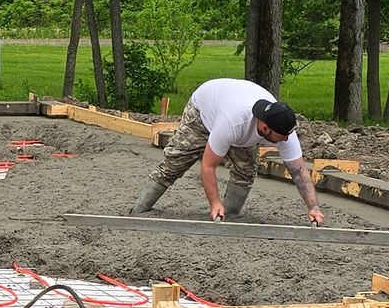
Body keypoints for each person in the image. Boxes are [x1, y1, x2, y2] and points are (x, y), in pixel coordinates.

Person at [130, 78, 325, 222]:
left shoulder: (283, 128)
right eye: (281, 137)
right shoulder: (233, 121)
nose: (285, 140)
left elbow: (298, 170)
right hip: (203, 113)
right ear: (265, 129)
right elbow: (208, 166)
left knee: (245, 171)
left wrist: (313, 207)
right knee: (175, 163)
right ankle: (140, 208)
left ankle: (228, 216)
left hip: (234, 113)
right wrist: (214, 202)